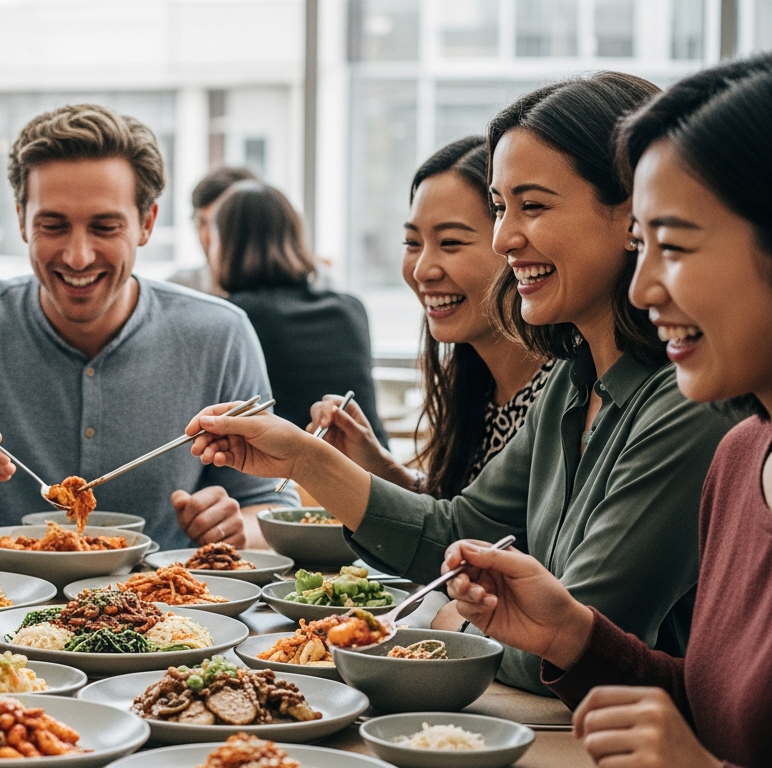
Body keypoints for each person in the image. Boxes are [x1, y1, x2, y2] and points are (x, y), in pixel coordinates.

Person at [185, 73, 740, 695]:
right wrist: (303, 456)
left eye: (532, 206)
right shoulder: (574, 376)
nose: (504, 238)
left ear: (630, 213)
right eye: (500, 208)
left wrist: (451, 618)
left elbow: (566, 642)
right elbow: (454, 531)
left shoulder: (685, 403)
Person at [442, 55, 772, 768]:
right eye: (642, 244)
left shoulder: (700, 426)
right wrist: (573, 637)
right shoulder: (743, 455)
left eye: (675, 246)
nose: (646, 286)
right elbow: (720, 708)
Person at [0, 104, 295, 550]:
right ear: (20, 220)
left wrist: (234, 527)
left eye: (105, 226)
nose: (78, 256)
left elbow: (268, 508)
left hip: (171, 611)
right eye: (53, 225)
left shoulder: (221, 334)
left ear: (146, 223)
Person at [313, 137, 552, 500]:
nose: (422, 270)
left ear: (511, 245)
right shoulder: (474, 382)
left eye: (451, 243)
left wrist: (303, 460)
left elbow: (478, 533)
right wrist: (376, 465)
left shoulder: (565, 393)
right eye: (412, 244)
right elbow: (454, 517)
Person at [208, 179, 387, 441]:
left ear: (224, 244)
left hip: (290, 477)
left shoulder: (233, 318)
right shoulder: (350, 308)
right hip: (375, 471)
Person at [166, 165, 255, 296]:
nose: (208, 237)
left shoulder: (280, 297)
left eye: (219, 224)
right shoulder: (177, 289)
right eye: (201, 223)